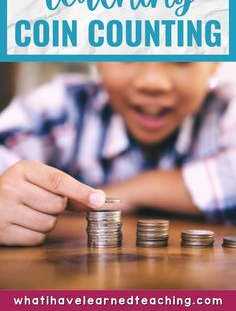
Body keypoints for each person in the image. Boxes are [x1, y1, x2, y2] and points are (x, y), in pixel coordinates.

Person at [0, 62, 236, 247]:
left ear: (215, 64)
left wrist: (132, 193)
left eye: (182, 58)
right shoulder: (55, 105)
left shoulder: (228, 108)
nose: (152, 83)